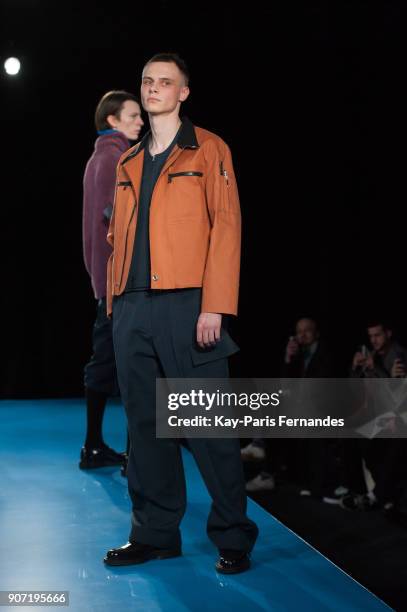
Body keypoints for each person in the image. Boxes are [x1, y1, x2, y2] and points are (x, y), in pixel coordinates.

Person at [103, 53, 258, 574]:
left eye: (165, 82)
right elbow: (114, 238)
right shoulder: (127, 161)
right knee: (144, 429)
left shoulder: (209, 149)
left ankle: (233, 535)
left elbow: (227, 229)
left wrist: (215, 304)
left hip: (188, 306)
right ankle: (154, 533)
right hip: (132, 308)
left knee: (207, 425)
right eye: (147, 82)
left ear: (183, 93)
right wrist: (113, 301)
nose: (153, 89)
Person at [81, 91, 144, 469]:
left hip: (109, 281)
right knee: (126, 365)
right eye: (133, 116)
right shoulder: (113, 157)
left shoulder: (101, 156)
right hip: (119, 281)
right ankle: (128, 455)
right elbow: (113, 214)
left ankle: (95, 447)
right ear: (113, 120)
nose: (140, 121)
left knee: (109, 361)